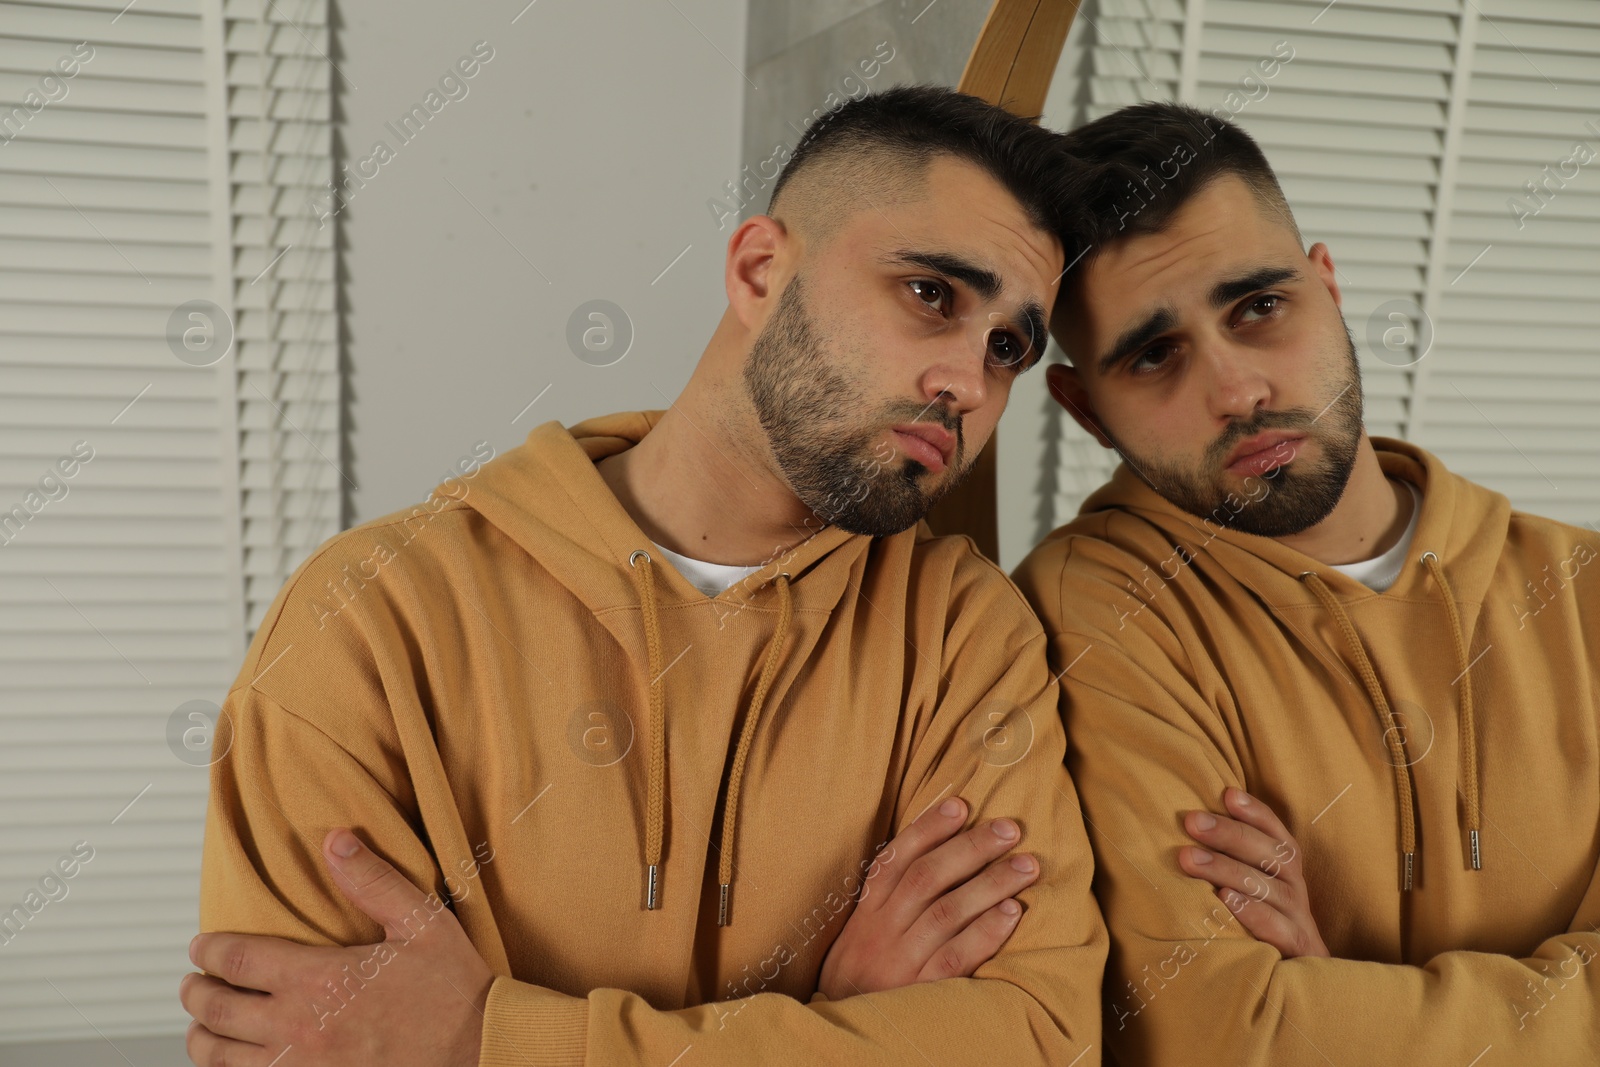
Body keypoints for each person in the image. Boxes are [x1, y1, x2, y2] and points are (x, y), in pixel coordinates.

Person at [179, 85, 1108, 1066]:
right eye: (931, 294)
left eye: (1008, 347)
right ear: (757, 270)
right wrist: (835, 1019)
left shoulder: (968, 637)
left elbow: (1036, 1040)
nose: (968, 382)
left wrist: (487, 1037)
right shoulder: (368, 617)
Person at [1012, 99, 1600, 1065]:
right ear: (1085, 409)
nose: (1239, 390)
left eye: (1259, 307)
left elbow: (1284, 1036)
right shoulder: (1093, 622)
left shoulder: (1578, 589)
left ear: (1326, 286)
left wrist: (1332, 1002)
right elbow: (1215, 1033)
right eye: (1155, 355)